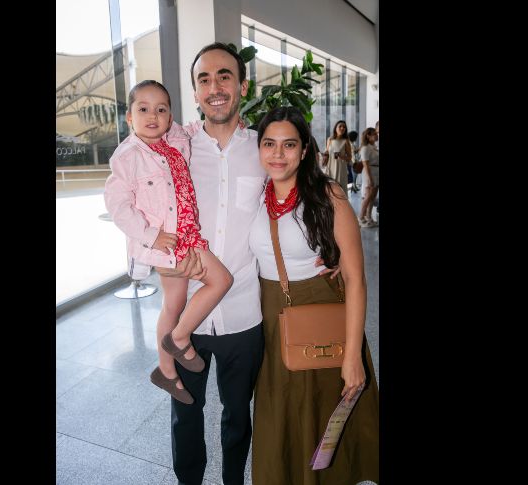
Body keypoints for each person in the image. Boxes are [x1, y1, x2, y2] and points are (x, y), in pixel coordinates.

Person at [162, 42, 335, 485]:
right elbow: (137, 198)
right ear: (195, 90)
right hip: (188, 318)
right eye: (204, 79)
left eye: (224, 76)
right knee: (185, 418)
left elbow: (303, 188)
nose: (215, 87)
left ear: (242, 85)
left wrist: (329, 249)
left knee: (238, 417)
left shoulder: (261, 148)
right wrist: (150, 262)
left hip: (244, 316)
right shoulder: (173, 148)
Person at [249, 107, 379, 485]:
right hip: (270, 324)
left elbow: (356, 280)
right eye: (269, 144)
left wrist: (353, 355)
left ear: (305, 150)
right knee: (281, 420)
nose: (277, 154)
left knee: (323, 422)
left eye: (289, 144)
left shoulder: (328, 195)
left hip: (319, 319)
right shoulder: (257, 195)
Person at [104, 80, 234, 406]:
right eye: (143, 109)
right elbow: (118, 207)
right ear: (129, 118)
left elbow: (190, 128)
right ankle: (178, 339)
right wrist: (151, 236)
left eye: (161, 109)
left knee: (173, 306)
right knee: (220, 280)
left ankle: (166, 371)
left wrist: (233, 123)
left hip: (187, 232)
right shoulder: (128, 156)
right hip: (168, 242)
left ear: (170, 115)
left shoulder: (173, 139)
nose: (153, 115)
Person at [358, 127, 379, 227]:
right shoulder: (365, 148)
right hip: (369, 173)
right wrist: (370, 179)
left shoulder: (373, 146)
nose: (376, 135)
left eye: (376, 133)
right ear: (368, 136)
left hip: (376, 172)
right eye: (374, 134)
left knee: (372, 197)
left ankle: (369, 217)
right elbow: (365, 164)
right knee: (368, 197)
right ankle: (361, 218)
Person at [325, 120, 353, 193]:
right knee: (330, 189)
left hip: (340, 168)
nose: (342, 128)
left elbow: (350, 157)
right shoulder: (330, 139)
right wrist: (325, 154)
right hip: (330, 167)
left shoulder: (346, 141)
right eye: (340, 126)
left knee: (340, 190)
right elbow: (327, 152)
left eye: (344, 127)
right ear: (335, 128)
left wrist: (342, 156)